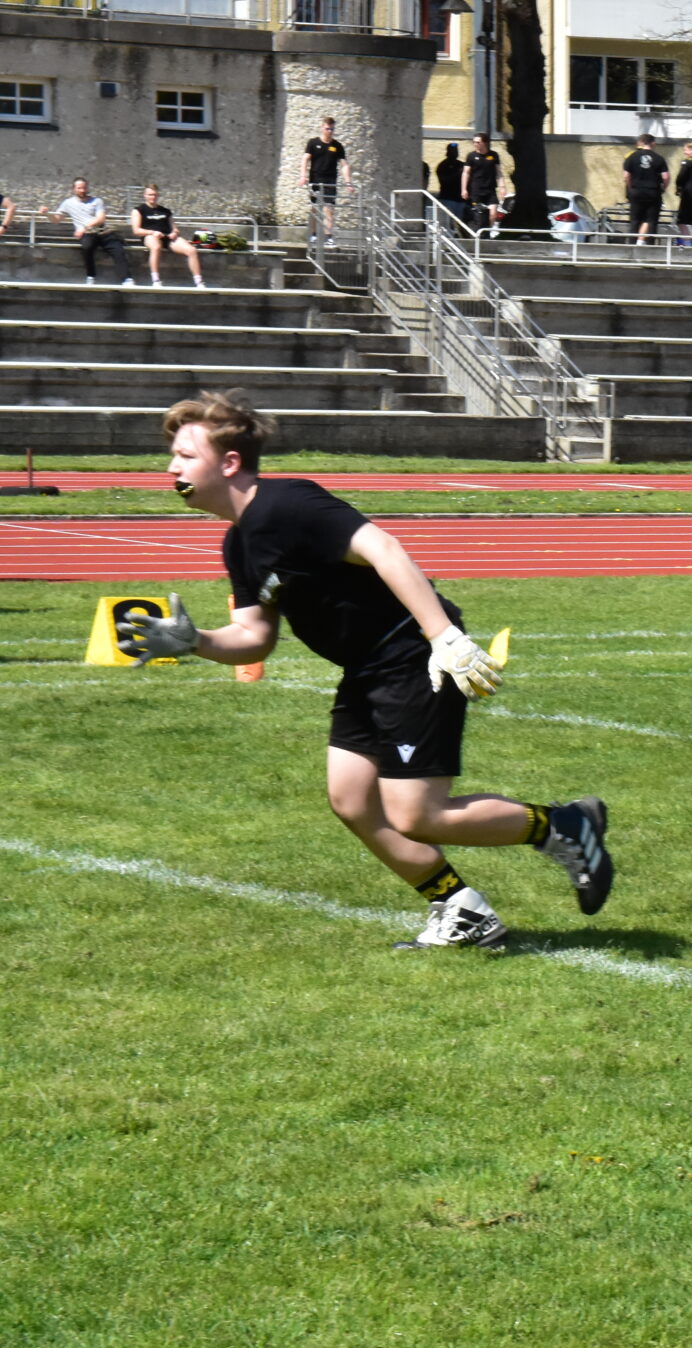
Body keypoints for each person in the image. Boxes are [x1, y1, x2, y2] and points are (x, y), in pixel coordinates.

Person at [117, 390, 618, 950]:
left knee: (417, 815)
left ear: (228, 462)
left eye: (184, 456)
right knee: (352, 799)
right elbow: (255, 638)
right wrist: (195, 642)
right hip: (366, 669)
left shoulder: (289, 504)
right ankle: (461, 909)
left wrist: (443, 637)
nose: (171, 468)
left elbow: (384, 548)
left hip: (412, 656)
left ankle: (562, 825)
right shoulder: (239, 544)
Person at [56, 179, 133, 286]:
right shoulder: (68, 203)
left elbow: (101, 218)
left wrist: (84, 227)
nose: (82, 190)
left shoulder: (97, 201)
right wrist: (46, 214)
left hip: (102, 231)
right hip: (88, 234)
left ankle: (127, 279)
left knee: (118, 249)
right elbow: (56, 219)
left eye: (84, 187)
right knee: (87, 247)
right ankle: (91, 276)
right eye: (79, 188)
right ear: (73, 189)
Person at [130, 184, 205, 289]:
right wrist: (152, 232)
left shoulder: (165, 211)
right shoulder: (139, 210)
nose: (153, 197)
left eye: (155, 195)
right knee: (156, 247)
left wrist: (174, 232)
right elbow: (136, 230)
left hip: (167, 237)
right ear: (145, 195)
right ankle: (156, 280)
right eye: (150, 195)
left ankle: (199, 281)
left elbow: (174, 228)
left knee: (192, 250)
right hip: (151, 236)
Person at [304, 117, 350, 241]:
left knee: (329, 207)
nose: (330, 131)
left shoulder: (337, 146)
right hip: (316, 178)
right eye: (327, 129)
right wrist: (303, 176)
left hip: (330, 180)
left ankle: (329, 236)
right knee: (315, 207)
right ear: (322, 128)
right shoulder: (313, 143)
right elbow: (305, 159)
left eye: (332, 129)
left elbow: (344, 165)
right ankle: (313, 235)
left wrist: (348, 182)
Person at [623, 132, 668, 242]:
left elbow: (626, 175)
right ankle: (647, 246)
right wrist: (663, 189)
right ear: (653, 144)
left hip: (636, 191)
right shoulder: (659, 158)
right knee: (651, 220)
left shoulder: (632, 157)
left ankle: (631, 246)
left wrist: (630, 187)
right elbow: (666, 177)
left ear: (641, 143)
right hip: (653, 192)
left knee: (635, 220)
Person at [461, 133, 506, 233]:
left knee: (493, 213)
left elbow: (498, 172)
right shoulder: (471, 156)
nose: (475, 144)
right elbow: (466, 173)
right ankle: (478, 234)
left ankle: (486, 232)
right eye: (474, 142)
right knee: (478, 214)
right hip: (476, 191)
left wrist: (502, 187)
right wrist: (464, 189)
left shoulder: (493, 155)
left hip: (490, 190)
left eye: (478, 142)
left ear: (484, 143)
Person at [432, 143, 470, 229]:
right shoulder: (442, 166)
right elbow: (444, 180)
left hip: (460, 200)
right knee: (447, 224)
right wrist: (457, 173)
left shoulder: (462, 165)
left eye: (456, 151)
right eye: (453, 151)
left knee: (459, 225)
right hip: (447, 199)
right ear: (448, 152)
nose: (455, 153)